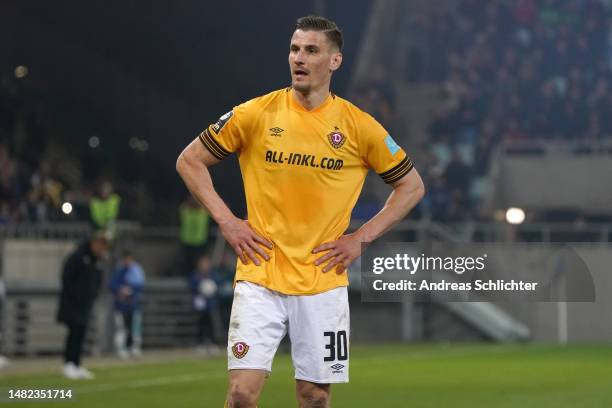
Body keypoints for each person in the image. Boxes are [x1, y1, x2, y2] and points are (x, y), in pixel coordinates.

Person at [176, 16, 425, 408]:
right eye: (295, 49)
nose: (300, 58)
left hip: (323, 281)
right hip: (260, 274)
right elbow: (190, 160)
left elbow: (411, 186)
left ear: (335, 61)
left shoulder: (360, 127)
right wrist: (227, 222)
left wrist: (361, 238)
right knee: (241, 395)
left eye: (311, 50)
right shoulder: (255, 114)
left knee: (314, 398)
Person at [57, 230, 111, 379]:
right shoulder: (77, 257)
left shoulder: (97, 260)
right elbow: (67, 279)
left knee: (81, 334)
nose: (102, 249)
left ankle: (77, 363)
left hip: (85, 304)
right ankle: (68, 363)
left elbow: (98, 281)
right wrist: (76, 296)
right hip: (73, 303)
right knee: (73, 334)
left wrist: (92, 296)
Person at [108, 249, 145, 359]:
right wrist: (120, 290)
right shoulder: (119, 271)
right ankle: (121, 348)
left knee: (135, 327)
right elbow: (111, 285)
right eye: (126, 259)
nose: (127, 261)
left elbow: (139, 287)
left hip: (133, 305)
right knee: (121, 328)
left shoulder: (137, 271)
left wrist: (130, 291)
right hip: (121, 306)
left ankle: (134, 347)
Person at [189, 254, 222, 355]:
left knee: (211, 324)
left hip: (210, 304)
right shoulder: (196, 275)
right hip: (200, 304)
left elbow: (218, 285)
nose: (205, 265)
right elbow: (192, 287)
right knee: (200, 324)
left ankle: (212, 343)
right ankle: (200, 344)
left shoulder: (213, 275)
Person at [179, 195, 211, 275]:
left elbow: (183, 207)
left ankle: (201, 276)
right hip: (190, 241)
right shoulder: (202, 212)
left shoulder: (186, 212)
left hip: (198, 241)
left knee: (200, 263)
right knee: (188, 264)